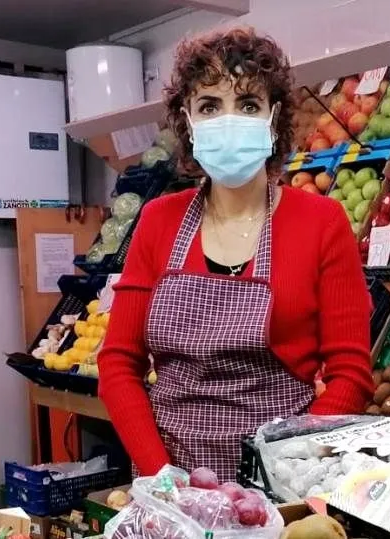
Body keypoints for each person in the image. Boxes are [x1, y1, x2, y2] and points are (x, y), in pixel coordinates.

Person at [97, 28, 374, 481]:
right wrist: (162, 477)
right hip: (172, 480)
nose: (229, 119)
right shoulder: (157, 221)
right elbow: (118, 363)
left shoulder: (322, 222)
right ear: (187, 122)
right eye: (209, 106)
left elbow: (351, 374)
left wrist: (289, 467)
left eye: (247, 104)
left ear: (273, 116)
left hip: (284, 476)